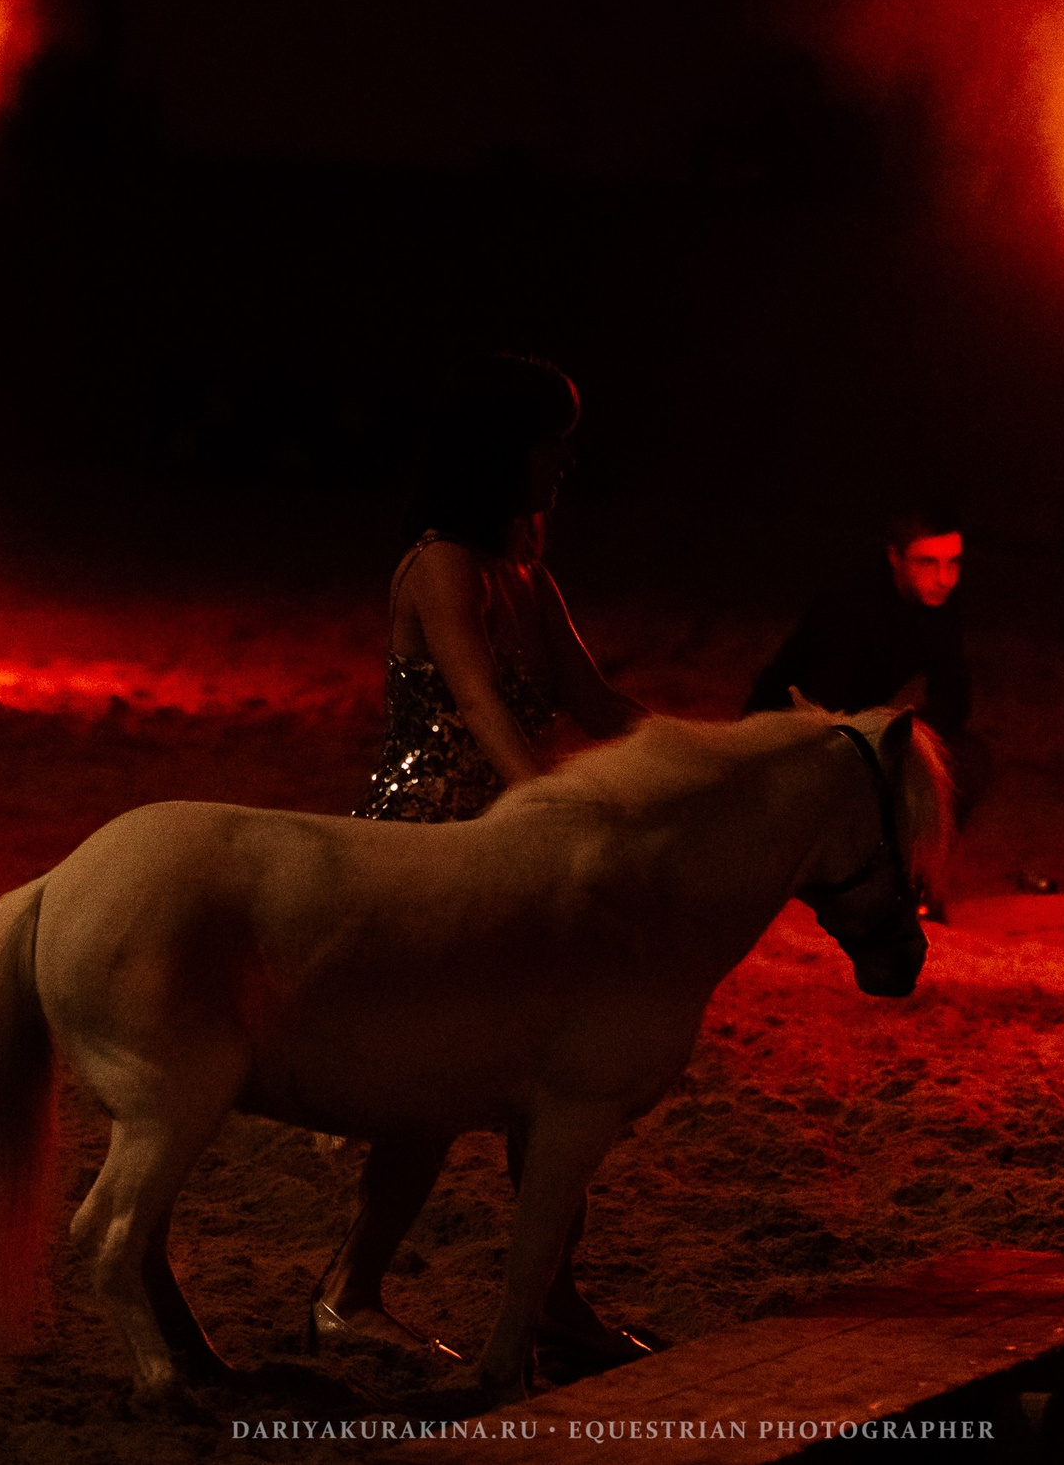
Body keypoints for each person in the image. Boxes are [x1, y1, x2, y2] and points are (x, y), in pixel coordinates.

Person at [324, 353, 654, 1375]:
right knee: (429, 1092)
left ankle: (554, 1296)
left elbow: (598, 708)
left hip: (512, 843)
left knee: (556, 1079)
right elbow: (476, 701)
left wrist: (722, 755)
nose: (565, 461)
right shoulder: (439, 567)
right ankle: (346, 1295)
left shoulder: (528, 577)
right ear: (501, 452)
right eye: (550, 442)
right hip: (429, 848)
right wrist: (551, 809)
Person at [745, 500, 987, 849]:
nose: (944, 578)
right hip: (789, 731)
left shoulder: (939, 602)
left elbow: (954, 696)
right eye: (927, 562)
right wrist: (884, 740)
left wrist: (913, 731)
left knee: (969, 758)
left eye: (953, 562)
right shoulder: (848, 603)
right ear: (895, 557)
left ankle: (918, 864)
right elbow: (824, 706)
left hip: (858, 725)